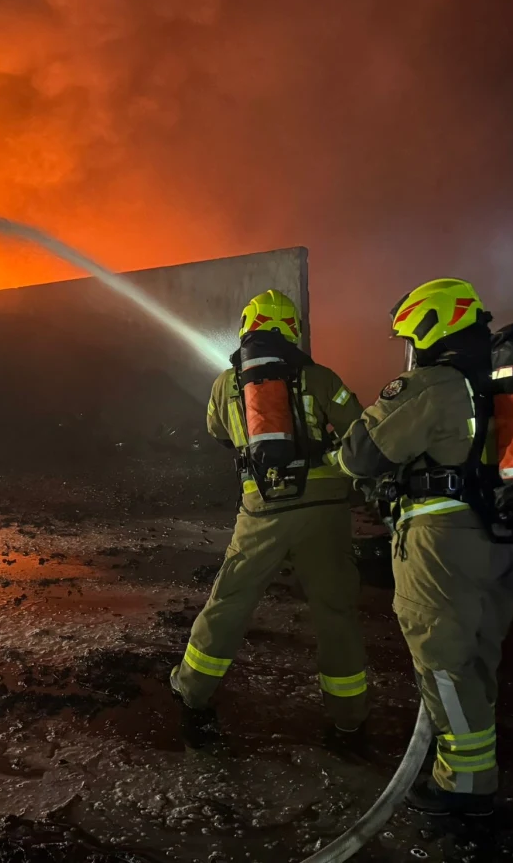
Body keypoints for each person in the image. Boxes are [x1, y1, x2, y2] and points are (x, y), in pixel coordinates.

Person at [338, 278, 513, 816]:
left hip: (446, 544)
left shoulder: (435, 384)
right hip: (507, 536)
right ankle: (469, 765)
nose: (409, 350)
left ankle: (464, 790)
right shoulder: (503, 384)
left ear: (430, 328)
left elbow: (360, 454)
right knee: (476, 660)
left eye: (410, 338)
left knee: (443, 664)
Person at [170, 289, 369, 734]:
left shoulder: (227, 382)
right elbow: (361, 430)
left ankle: (192, 689)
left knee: (231, 600)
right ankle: (348, 716)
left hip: (263, 507)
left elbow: (216, 430)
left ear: (247, 328)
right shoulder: (320, 377)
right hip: (324, 508)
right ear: (293, 330)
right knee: (334, 610)